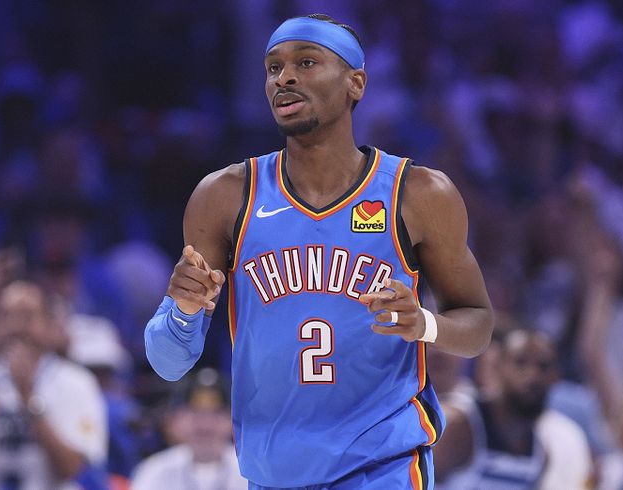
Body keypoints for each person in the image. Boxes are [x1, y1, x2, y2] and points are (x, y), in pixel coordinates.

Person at [145, 13, 493, 489]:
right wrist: (183, 311)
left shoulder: (416, 193)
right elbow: (168, 363)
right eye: (273, 68)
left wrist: (424, 324)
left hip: (384, 468)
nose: (284, 78)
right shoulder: (225, 196)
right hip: (274, 475)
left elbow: (478, 323)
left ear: (356, 83)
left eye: (306, 63)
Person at [433, 328, 592, 489]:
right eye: (520, 362)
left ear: (556, 377)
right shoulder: (459, 428)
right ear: (497, 367)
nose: (532, 375)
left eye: (543, 366)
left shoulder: (541, 452)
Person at [0, 280, 108, 490]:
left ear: (47, 324)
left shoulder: (76, 383)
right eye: (7, 316)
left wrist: (28, 398)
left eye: (27, 316)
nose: (16, 326)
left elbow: (74, 469)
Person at [130, 367, 246, 490]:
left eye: (216, 414)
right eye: (196, 414)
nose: (205, 425)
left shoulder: (249, 471)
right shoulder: (154, 471)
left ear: (232, 420)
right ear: (177, 419)